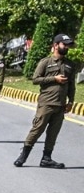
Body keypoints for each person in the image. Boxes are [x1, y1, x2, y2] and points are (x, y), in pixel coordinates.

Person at [15, 34, 77, 168]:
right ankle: (23, 157)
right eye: (64, 44)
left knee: (53, 134)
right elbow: (35, 79)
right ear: (56, 45)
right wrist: (54, 79)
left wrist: (71, 101)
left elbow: (71, 85)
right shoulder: (45, 62)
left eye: (67, 45)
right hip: (46, 104)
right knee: (37, 130)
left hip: (60, 106)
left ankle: (46, 158)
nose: (66, 47)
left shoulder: (70, 65)